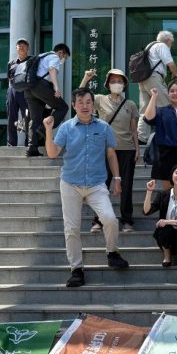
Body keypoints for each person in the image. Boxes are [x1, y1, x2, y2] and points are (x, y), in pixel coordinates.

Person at [43, 87, 130, 288]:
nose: (85, 106)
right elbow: (52, 153)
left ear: (93, 105)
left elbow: (111, 154)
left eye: (88, 102)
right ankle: (76, 269)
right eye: (80, 102)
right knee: (71, 228)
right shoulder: (66, 128)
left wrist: (117, 178)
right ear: (74, 105)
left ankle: (112, 252)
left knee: (110, 219)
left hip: (96, 184)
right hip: (70, 184)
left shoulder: (104, 127)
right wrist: (48, 130)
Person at [80, 67, 139, 233]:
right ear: (108, 84)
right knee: (101, 186)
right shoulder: (100, 99)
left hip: (127, 149)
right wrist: (86, 78)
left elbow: (133, 129)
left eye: (120, 81)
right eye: (113, 81)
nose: (116, 84)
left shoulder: (130, 104)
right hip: (104, 149)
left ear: (124, 84)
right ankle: (98, 220)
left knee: (126, 186)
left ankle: (127, 220)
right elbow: (81, 97)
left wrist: (137, 149)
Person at [25, 43, 70, 158]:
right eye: (65, 57)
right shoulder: (54, 57)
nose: (63, 60)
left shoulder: (42, 56)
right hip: (41, 86)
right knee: (63, 107)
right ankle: (43, 128)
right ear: (61, 53)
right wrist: (56, 87)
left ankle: (32, 148)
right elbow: (52, 69)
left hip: (29, 88)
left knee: (35, 119)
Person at [137, 30, 177, 142]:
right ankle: (169, 133)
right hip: (154, 77)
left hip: (143, 78)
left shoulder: (149, 46)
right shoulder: (162, 46)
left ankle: (142, 137)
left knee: (145, 108)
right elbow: (170, 63)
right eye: (171, 43)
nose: (171, 45)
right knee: (166, 105)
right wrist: (175, 74)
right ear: (168, 40)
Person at [5, 38, 31, 148]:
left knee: (28, 117)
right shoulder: (11, 63)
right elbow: (9, 78)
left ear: (27, 48)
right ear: (16, 48)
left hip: (26, 92)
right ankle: (11, 143)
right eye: (19, 44)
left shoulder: (32, 61)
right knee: (11, 117)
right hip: (13, 91)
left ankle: (29, 142)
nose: (21, 46)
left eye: (24, 44)